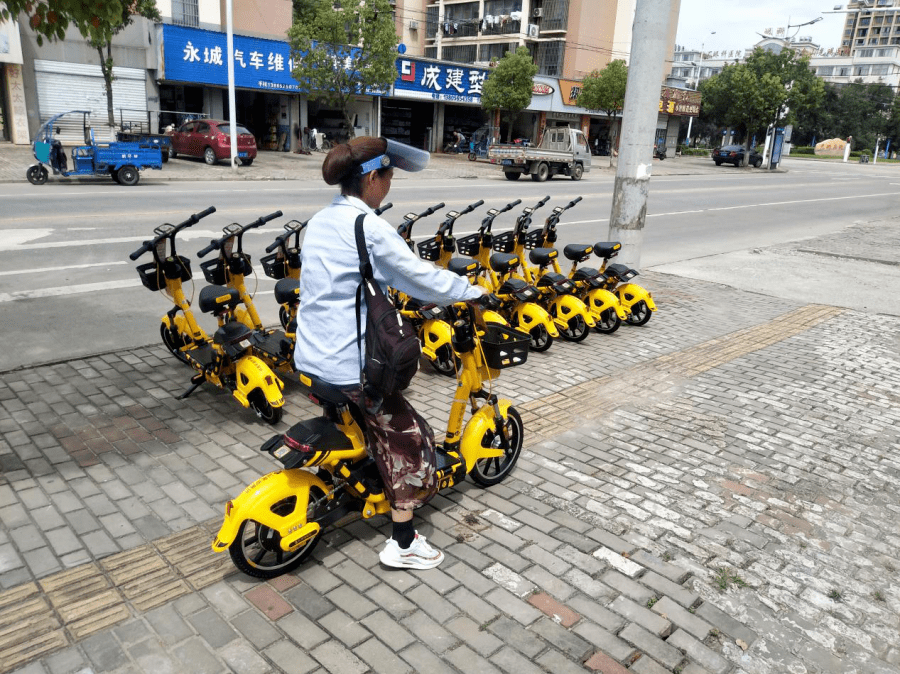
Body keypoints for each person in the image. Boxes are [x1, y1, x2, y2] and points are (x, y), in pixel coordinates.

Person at [293, 136, 486, 570]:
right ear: (373, 179)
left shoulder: (321, 221)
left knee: (366, 423)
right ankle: (403, 541)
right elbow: (418, 276)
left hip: (310, 358)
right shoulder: (369, 226)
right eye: (389, 175)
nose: (391, 183)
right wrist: (472, 292)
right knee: (411, 436)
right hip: (349, 365)